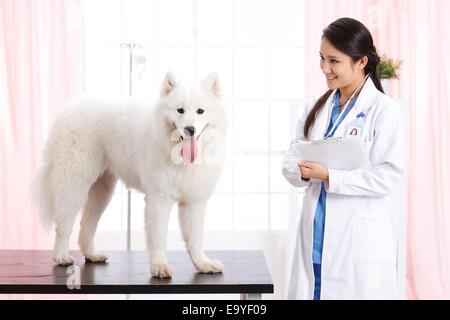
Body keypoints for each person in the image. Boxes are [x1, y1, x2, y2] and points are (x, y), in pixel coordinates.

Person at [282, 17, 404, 300]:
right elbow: (290, 159)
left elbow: (388, 176)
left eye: (334, 61)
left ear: (361, 62)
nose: (325, 69)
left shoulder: (384, 111)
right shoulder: (316, 107)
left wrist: (329, 175)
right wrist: (302, 171)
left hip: (356, 238)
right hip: (315, 236)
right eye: (322, 58)